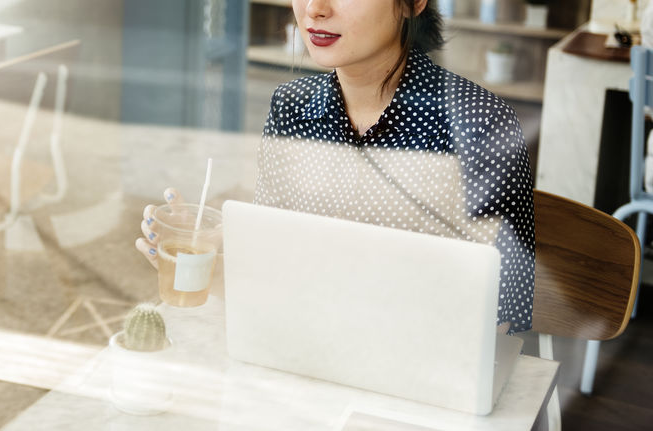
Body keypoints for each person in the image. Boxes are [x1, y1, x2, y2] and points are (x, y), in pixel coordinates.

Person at [137, 0, 535, 334]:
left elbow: (506, 312)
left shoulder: (479, 123)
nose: (314, 8)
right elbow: (278, 269)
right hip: (306, 347)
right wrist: (223, 266)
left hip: (417, 372)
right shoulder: (291, 107)